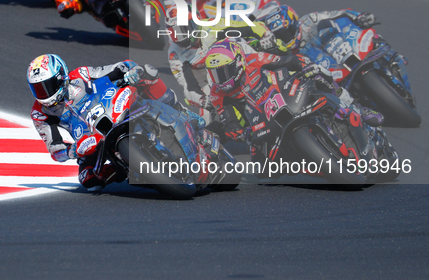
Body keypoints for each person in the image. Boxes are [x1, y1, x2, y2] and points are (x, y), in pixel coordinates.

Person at [27, 54, 200, 192]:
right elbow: (55, 150)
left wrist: (130, 70)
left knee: (147, 75)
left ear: (60, 77)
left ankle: (181, 110)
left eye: (46, 86)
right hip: (90, 138)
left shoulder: (81, 74)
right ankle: (127, 167)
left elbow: (118, 68)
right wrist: (72, 150)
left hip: (111, 108)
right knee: (88, 181)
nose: (43, 93)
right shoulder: (39, 113)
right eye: (37, 88)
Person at [203, 38, 384, 158]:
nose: (221, 78)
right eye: (216, 74)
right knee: (264, 171)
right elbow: (229, 123)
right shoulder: (218, 94)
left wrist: (306, 66)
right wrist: (244, 134)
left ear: (238, 62)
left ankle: (356, 107)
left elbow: (287, 61)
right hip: (261, 121)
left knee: (320, 77)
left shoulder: (254, 59)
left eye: (224, 71)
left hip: (286, 94)